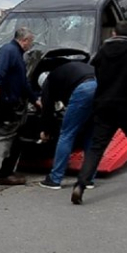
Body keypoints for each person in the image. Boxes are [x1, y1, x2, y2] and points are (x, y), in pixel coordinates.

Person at [71, 21, 127, 204]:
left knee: (96, 147)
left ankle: (80, 185)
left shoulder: (104, 50)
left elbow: (95, 68)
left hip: (105, 105)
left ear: (114, 33)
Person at [0, 27, 41, 185]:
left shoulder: (16, 53)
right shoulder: (8, 51)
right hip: (7, 102)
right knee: (9, 137)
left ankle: (7, 170)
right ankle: (4, 173)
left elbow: (23, 82)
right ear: (24, 40)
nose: (31, 45)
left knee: (15, 137)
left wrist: (34, 99)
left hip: (13, 102)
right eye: (30, 42)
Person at [37, 61, 97, 190]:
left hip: (84, 89)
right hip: (102, 87)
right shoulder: (68, 71)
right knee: (90, 135)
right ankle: (88, 179)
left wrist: (45, 129)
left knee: (67, 134)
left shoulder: (49, 82)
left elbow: (47, 109)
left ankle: (55, 179)